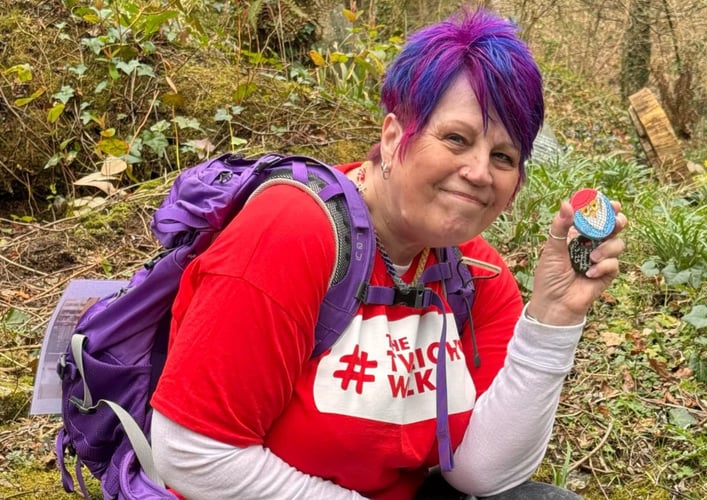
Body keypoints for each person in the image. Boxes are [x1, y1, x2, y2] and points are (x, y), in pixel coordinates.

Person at [150, 7, 627, 500]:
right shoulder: (291, 232)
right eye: (456, 139)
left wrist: (553, 319)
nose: (481, 172)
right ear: (395, 136)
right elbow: (192, 454)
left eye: (503, 157)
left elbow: (482, 474)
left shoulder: (473, 273)